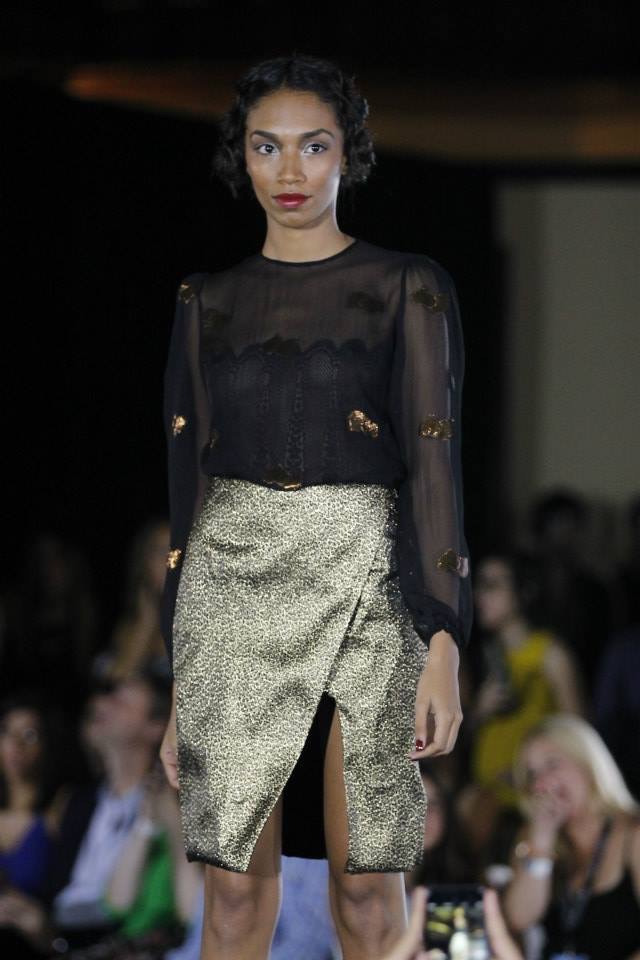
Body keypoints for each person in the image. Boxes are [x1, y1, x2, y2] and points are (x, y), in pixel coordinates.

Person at [159, 53, 473, 960]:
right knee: (231, 892)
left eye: (313, 145)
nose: (290, 170)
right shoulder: (206, 301)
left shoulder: (408, 285)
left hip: (370, 579)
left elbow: (435, 462)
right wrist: (182, 678)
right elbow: (187, 490)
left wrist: (443, 636)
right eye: (267, 146)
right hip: (230, 586)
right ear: (242, 157)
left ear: (349, 155)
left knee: (368, 881)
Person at [503, 713, 640, 960]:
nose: (542, 784)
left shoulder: (634, 834)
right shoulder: (534, 838)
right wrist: (543, 839)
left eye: (552, 764)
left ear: (588, 763)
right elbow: (519, 919)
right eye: (532, 775)